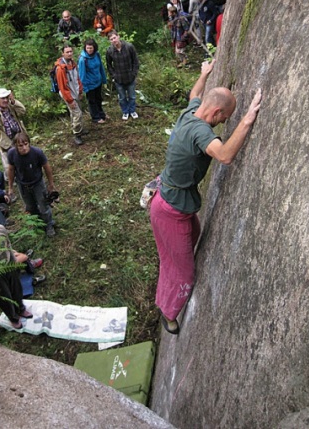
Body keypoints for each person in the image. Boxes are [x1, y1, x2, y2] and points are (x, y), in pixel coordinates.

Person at [150, 60, 262, 335]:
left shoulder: (191, 113)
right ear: (215, 112)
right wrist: (247, 119)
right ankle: (168, 312)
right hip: (170, 210)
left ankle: (173, 269)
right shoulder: (201, 132)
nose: (224, 123)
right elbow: (224, 156)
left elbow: (194, 94)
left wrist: (203, 74)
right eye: (224, 118)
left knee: (192, 236)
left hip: (172, 202)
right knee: (184, 273)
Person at [7, 132, 56, 237]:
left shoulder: (37, 152)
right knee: (30, 206)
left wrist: (51, 184)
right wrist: (10, 187)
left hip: (37, 183)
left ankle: (49, 224)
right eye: (20, 146)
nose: (24, 148)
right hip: (22, 184)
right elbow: (11, 170)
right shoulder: (11, 154)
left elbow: (47, 167)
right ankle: (38, 222)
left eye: (26, 144)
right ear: (16, 146)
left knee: (44, 205)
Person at [0, 88, 26, 180]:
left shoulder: (10, 106)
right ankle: (10, 179)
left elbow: (22, 111)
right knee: (8, 162)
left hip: (18, 136)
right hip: (6, 142)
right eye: (2, 98)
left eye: (6, 97)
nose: (5, 100)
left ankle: (24, 173)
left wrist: (13, 101)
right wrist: (9, 145)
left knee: (23, 156)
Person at [55, 44, 86, 146]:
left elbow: (77, 78)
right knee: (77, 114)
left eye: (70, 51)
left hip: (76, 92)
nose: (69, 54)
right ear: (62, 53)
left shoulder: (73, 63)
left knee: (76, 112)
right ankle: (77, 134)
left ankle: (79, 128)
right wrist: (70, 100)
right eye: (67, 52)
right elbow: (62, 87)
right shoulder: (60, 69)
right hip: (69, 95)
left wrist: (80, 91)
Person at [106, 31, 140, 121]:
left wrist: (134, 73)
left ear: (118, 36)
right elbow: (109, 65)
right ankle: (125, 111)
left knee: (132, 96)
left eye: (114, 38)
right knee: (122, 97)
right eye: (111, 39)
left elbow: (135, 61)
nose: (114, 40)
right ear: (109, 41)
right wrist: (114, 76)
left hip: (130, 76)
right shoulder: (110, 51)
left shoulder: (129, 47)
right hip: (119, 78)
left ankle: (132, 110)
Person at [78, 38, 108, 124]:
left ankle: (101, 114)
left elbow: (101, 67)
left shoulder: (97, 55)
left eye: (91, 48)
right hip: (89, 84)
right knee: (92, 101)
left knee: (99, 99)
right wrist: (84, 88)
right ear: (85, 48)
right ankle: (95, 118)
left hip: (98, 82)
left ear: (94, 47)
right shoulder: (83, 60)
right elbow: (82, 75)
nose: (89, 50)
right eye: (87, 48)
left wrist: (104, 79)